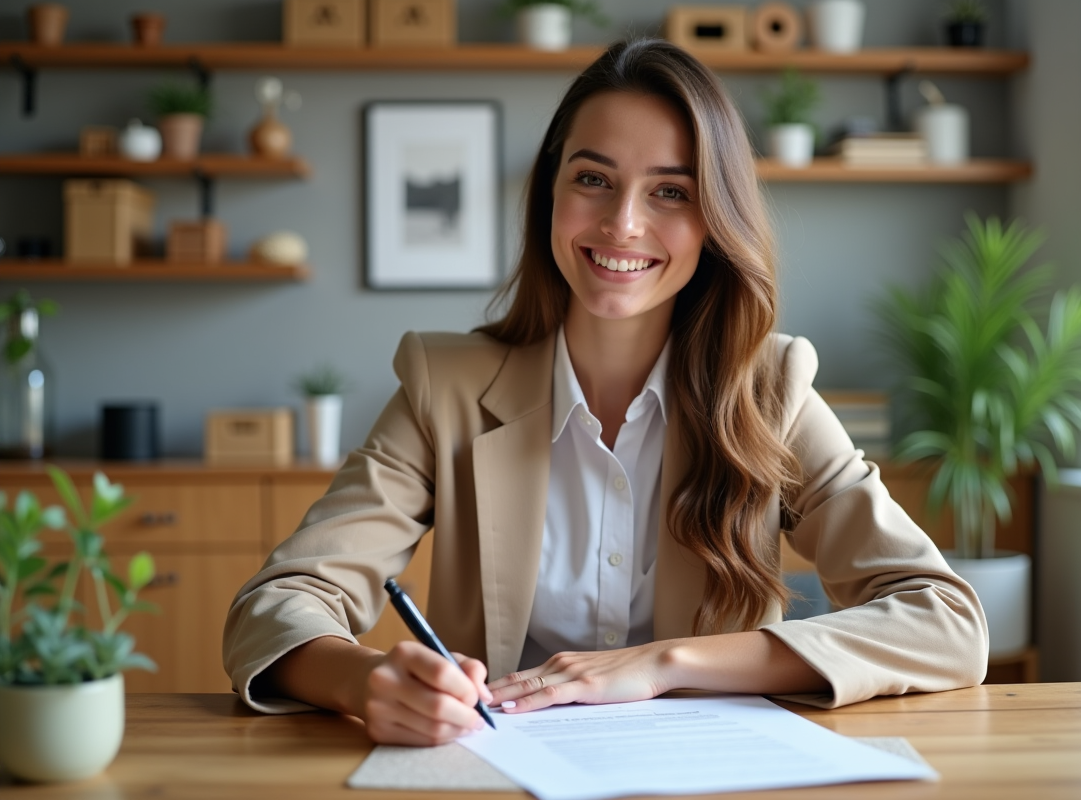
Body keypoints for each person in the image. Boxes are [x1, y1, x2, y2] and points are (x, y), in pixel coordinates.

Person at [223, 38, 987, 747]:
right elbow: (275, 606)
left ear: (716, 220)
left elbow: (946, 620)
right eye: (593, 179)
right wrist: (368, 680)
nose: (622, 224)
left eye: (670, 192)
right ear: (551, 191)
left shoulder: (769, 391)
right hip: (497, 774)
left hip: (712, 775)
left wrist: (666, 663)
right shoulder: (444, 386)